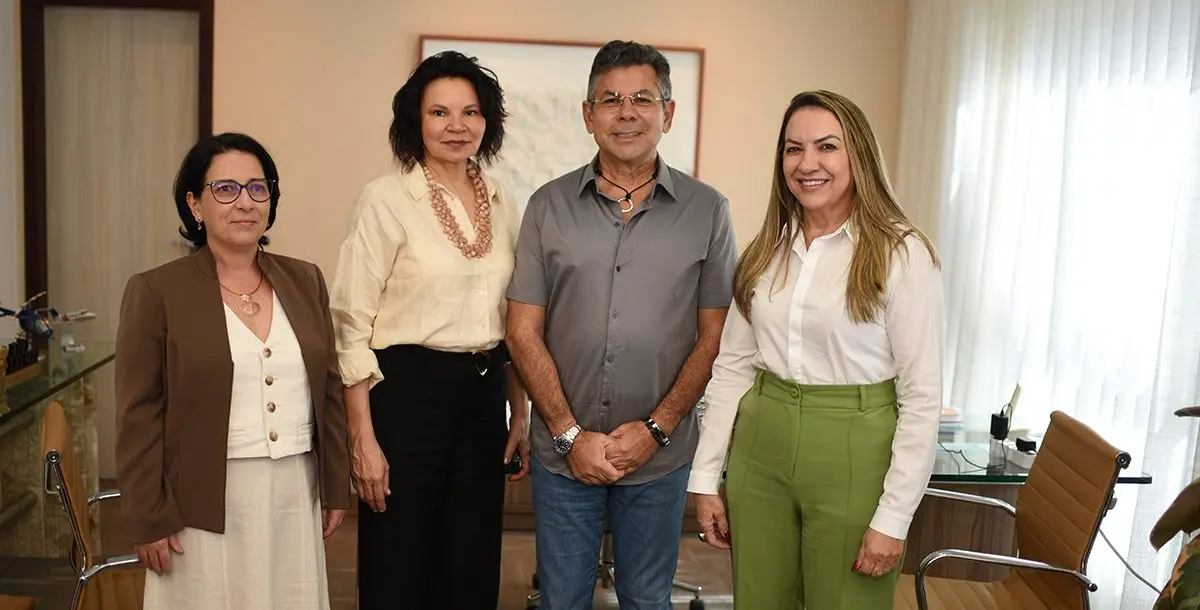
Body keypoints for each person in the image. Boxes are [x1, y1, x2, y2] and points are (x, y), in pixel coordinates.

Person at [687, 89, 944, 609]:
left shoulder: (901, 253)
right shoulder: (766, 251)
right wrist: (706, 477)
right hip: (761, 450)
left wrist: (894, 517)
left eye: (827, 147)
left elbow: (922, 396)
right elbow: (732, 368)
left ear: (858, 156)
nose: (807, 164)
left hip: (853, 451)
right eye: (793, 149)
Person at [505, 40, 738, 609]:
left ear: (668, 112)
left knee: (647, 601)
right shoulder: (547, 206)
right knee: (562, 600)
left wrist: (655, 429)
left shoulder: (708, 210)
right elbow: (521, 331)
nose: (626, 112)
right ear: (589, 115)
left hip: (660, 456)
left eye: (642, 99)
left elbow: (716, 336)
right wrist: (568, 434)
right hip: (564, 455)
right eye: (610, 100)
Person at [114, 132, 352, 610]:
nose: (245, 202)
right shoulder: (157, 291)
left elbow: (328, 389)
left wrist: (335, 483)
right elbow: (138, 414)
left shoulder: (305, 279)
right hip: (201, 500)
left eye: (258, 188)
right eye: (225, 189)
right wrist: (147, 515)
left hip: (294, 491)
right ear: (194, 205)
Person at [328, 50, 529, 610]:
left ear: (487, 121)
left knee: (471, 563)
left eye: (470, 112)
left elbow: (513, 316)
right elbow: (349, 325)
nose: (456, 126)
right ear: (414, 120)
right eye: (439, 112)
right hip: (405, 397)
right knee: (399, 562)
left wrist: (519, 412)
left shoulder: (503, 199)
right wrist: (362, 439)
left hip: (483, 397)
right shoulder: (385, 199)